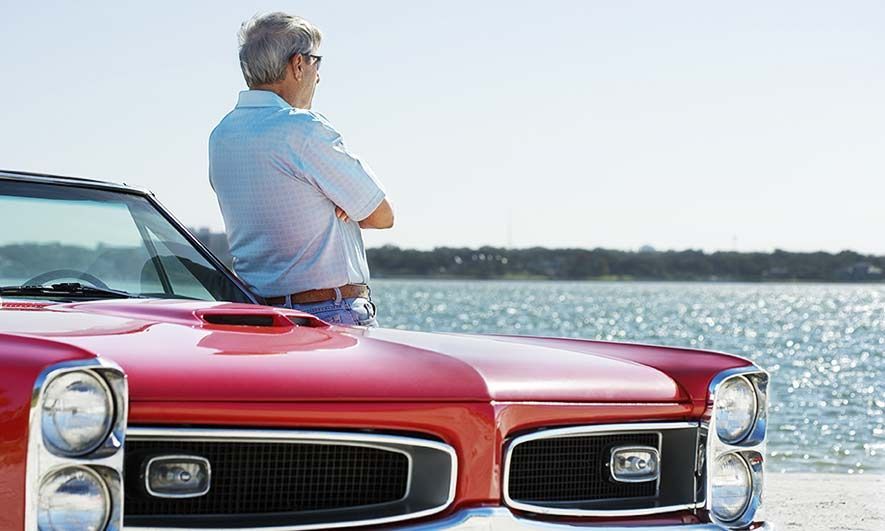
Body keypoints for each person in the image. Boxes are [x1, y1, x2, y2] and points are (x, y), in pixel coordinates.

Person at [208, 12, 393, 326]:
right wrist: (340, 201)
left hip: (260, 318)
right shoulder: (303, 129)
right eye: (316, 63)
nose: (318, 76)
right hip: (331, 315)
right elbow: (381, 215)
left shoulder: (221, 136)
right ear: (298, 64)